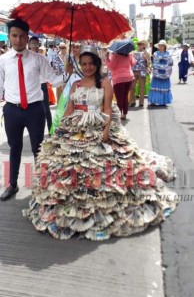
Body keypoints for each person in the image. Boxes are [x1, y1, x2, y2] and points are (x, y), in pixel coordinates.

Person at [24, 44, 177, 240]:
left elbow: (106, 109)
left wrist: (105, 131)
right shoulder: (76, 84)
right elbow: (70, 109)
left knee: (103, 168)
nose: (87, 67)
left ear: (97, 64)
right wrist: (60, 129)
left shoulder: (104, 82)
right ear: (80, 64)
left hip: (98, 125)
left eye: (91, 63)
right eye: (84, 63)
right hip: (75, 126)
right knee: (67, 168)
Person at [0, 18, 69, 201]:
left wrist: (67, 74)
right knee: (15, 147)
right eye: (14, 35)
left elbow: (53, 80)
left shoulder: (39, 59)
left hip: (35, 110)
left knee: (39, 148)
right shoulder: (3, 60)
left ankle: (41, 185)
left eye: (22, 36)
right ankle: (12, 184)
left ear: (27, 37)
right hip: (12, 111)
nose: (18, 40)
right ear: (10, 36)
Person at [50, 42, 83, 134]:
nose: (75, 49)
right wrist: (67, 67)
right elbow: (67, 74)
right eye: (73, 46)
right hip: (71, 84)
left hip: (82, 84)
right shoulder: (70, 59)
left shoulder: (84, 59)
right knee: (64, 106)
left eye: (77, 47)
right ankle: (62, 128)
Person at [28, 37, 52, 133]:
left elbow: (49, 73)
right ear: (29, 44)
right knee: (32, 110)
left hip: (42, 85)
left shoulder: (43, 57)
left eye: (36, 43)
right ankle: (35, 130)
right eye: (32, 43)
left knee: (46, 109)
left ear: (38, 44)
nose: (34, 45)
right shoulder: (25, 57)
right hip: (30, 86)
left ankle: (51, 129)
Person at [105, 50, 136, 120]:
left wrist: (107, 58)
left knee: (119, 98)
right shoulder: (128, 55)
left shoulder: (115, 56)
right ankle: (124, 114)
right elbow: (133, 63)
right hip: (129, 77)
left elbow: (111, 66)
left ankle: (119, 114)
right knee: (125, 96)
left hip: (119, 78)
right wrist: (132, 56)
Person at [148, 40, 173, 106]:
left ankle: (163, 101)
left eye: (162, 46)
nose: (161, 47)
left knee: (164, 87)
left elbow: (171, 63)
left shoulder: (168, 54)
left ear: (165, 47)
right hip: (157, 73)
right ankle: (154, 100)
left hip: (165, 74)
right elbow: (154, 62)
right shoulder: (156, 53)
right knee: (155, 87)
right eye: (159, 46)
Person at [129, 40, 151, 107]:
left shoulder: (147, 53)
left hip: (142, 71)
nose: (139, 45)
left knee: (142, 87)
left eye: (141, 44)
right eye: (138, 44)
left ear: (144, 45)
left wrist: (145, 59)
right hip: (134, 71)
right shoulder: (133, 53)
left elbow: (149, 64)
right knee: (132, 87)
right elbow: (130, 62)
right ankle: (132, 101)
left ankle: (141, 102)